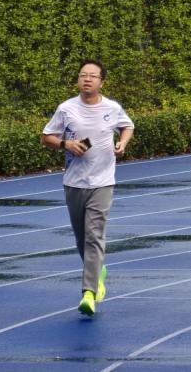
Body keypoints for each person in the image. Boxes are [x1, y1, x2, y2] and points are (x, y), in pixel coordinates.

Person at [42, 59, 134, 316]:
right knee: (82, 238)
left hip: (103, 182)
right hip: (74, 182)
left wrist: (122, 143)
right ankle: (98, 271)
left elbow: (127, 126)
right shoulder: (66, 108)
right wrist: (66, 145)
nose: (87, 79)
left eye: (92, 76)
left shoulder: (112, 108)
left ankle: (88, 293)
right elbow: (46, 137)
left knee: (94, 236)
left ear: (101, 82)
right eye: (83, 75)